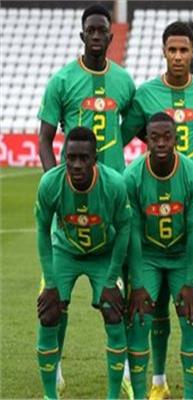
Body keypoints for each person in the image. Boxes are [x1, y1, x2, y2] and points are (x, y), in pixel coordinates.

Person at [120, 21, 193, 400]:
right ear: (163, 51)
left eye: (184, 50)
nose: (178, 56)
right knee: (153, 308)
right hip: (153, 215)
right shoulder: (145, 95)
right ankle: (157, 382)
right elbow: (119, 136)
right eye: (172, 50)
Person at [35, 127, 131, 399]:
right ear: (64, 156)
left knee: (113, 312)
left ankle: (113, 395)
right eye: (71, 157)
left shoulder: (114, 184)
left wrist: (111, 280)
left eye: (83, 158)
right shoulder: (50, 183)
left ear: (95, 159)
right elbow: (42, 230)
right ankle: (50, 394)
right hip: (65, 252)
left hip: (103, 253)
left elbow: (125, 229)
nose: (76, 164)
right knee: (48, 313)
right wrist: (50, 283)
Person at [124, 113, 193, 400]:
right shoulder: (132, 176)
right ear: (146, 140)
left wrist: (190, 281)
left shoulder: (192, 173)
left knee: (191, 317)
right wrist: (136, 283)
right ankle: (153, 386)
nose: (161, 143)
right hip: (148, 256)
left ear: (176, 139)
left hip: (182, 255)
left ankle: (192, 393)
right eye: (154, 138)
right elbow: (133, 234)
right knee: (140, 320)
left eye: (166, 137)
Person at [38, 4, 135, 173]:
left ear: (110, 37)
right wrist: (53, 180)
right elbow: (45, 139)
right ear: (83, 36)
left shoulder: (124, 80)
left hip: (115, 179)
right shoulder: (61, 81)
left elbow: (136, 124)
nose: (96, 36)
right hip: (74, 180)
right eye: (91, 31)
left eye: (102, 31)